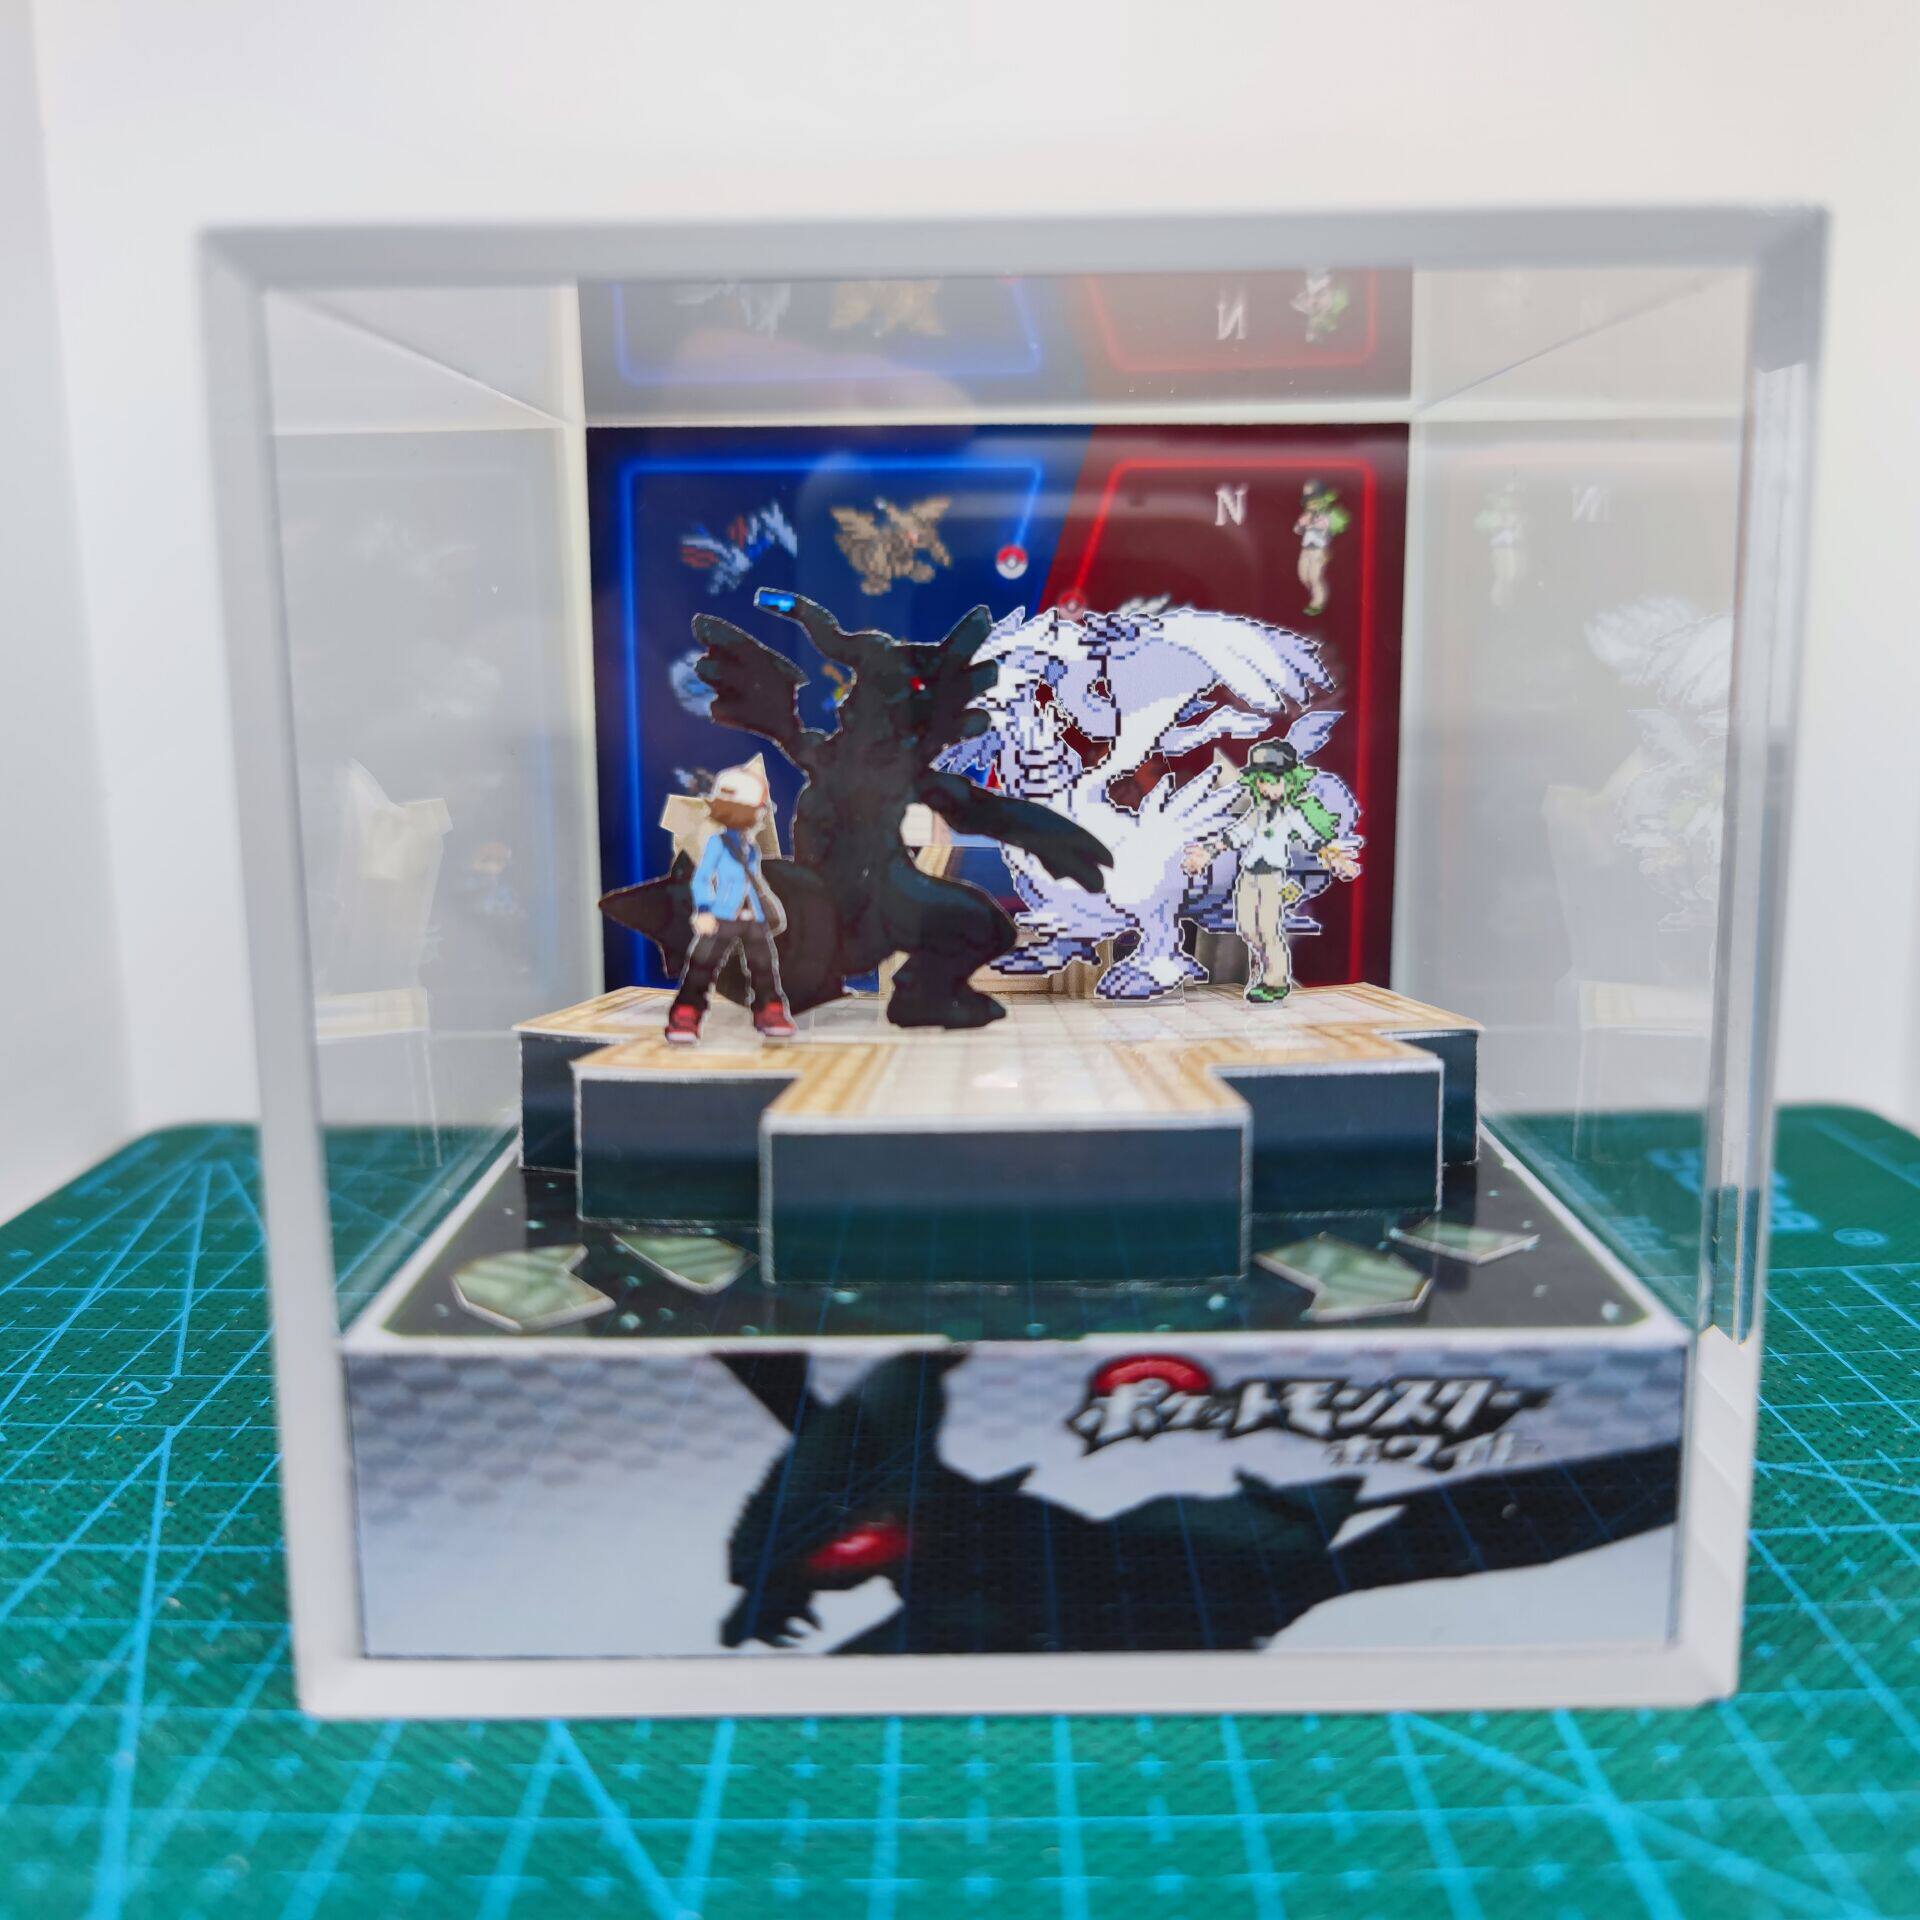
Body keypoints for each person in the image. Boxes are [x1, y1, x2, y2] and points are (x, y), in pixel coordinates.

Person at [1182, 740, 1362, 1004]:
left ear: (1289, 782)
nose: (1267, 788)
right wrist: (1207, 853)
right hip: (1248, 878)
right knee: (1247, 928)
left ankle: (1275, 981)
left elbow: (1314, 839)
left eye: (1274, 781)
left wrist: (1336, 858)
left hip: (1272, 879)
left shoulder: (1291, 815)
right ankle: (1263, 973)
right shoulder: (1257, 813)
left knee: (1269, 931)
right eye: (1262, 781)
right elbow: (1235, 835)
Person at [667, 764, 796, 1044]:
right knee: (702, 964)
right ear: (742, 810)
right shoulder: (718, 843)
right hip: (723, 914)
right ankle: (687, 1013)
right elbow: (702, 878)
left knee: (764, 966)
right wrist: (704, 910)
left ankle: (769, 1010)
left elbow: (752, 881)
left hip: (753, 917)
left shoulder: (752, 848)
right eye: (759, 811)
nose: (763, 817)